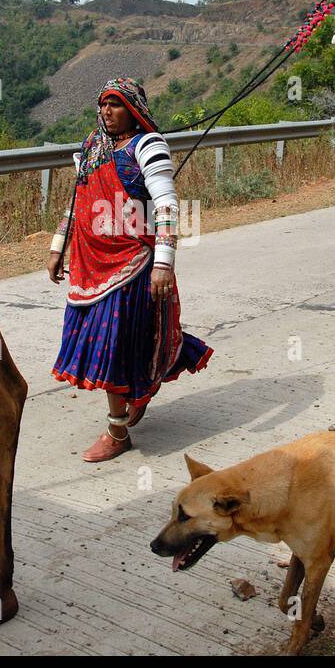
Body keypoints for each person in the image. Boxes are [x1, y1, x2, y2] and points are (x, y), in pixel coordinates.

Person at [47, 77, 213, 462]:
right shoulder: (92, 147)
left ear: (133, 109)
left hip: (132, 264)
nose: (107, 112)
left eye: (116, 104)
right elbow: (78, 200)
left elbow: (167, 206)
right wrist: (59, 246)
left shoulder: (148, 146)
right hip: (90, 265)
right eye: (103, 104)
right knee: (117, 343)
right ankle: (137, 391)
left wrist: (164, 264)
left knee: (114, 348)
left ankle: (117, 432)